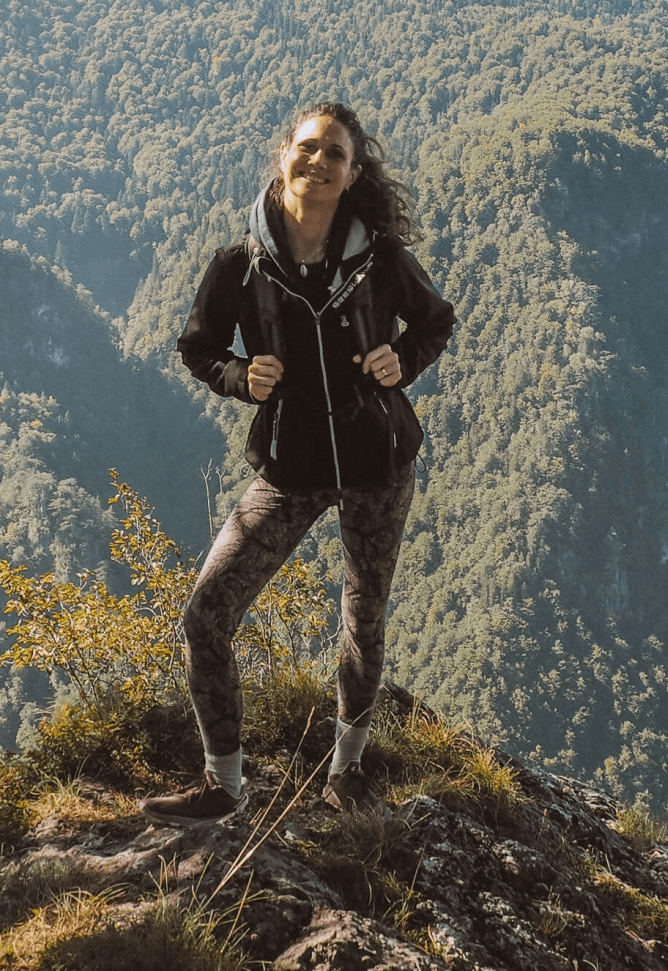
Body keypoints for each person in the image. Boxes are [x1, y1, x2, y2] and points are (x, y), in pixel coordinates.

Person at [141, 102, 455, 824]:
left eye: (334, 155)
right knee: (206, 614)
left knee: (362, 617)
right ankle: (224, 785)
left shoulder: (378, 259)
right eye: (308, 148)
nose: (318, 163)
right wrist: (236, 376)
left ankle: (346, 771)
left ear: (351, 175)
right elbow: (198, 348)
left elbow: (434, 320)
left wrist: (399, 360)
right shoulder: (239, 266)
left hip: (379, 460)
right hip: (290, 463)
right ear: (283, 153)